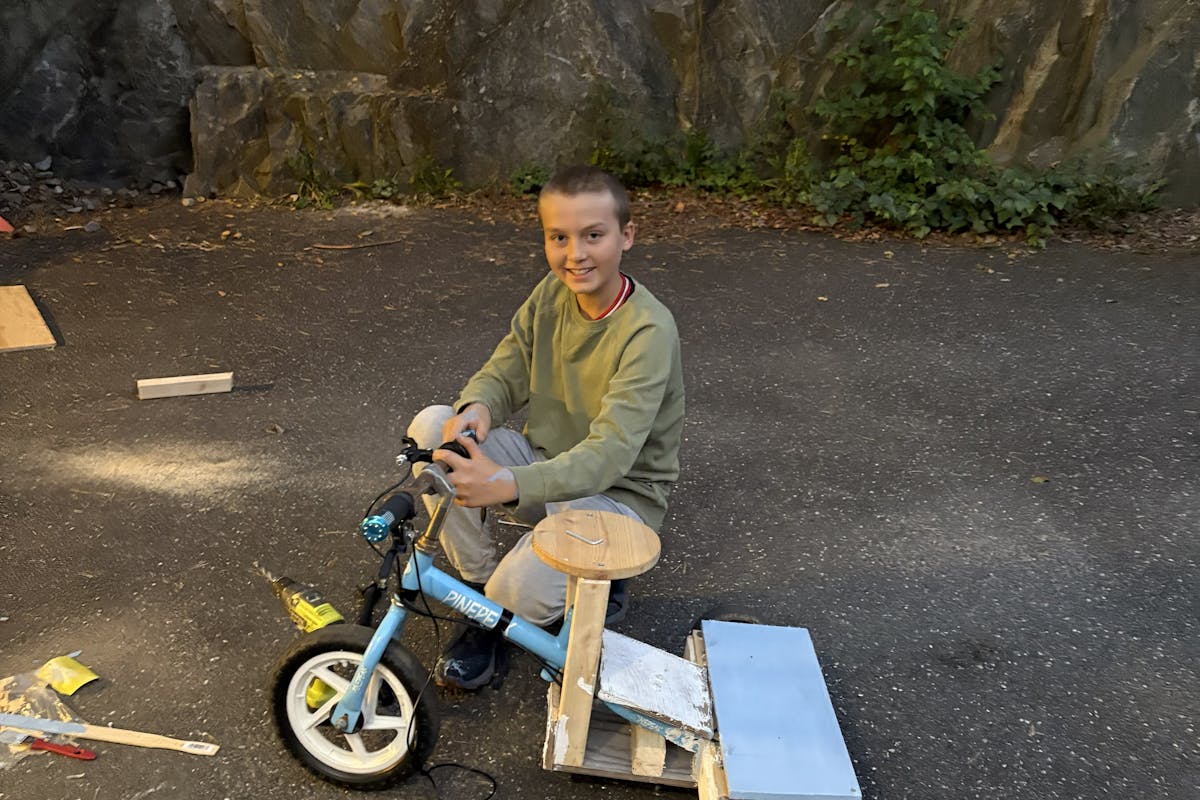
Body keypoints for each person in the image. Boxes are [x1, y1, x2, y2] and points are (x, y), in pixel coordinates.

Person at [406, 164, 685, 690]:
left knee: (519, 591)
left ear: (626, 236)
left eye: (593, 235)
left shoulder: (648, 330)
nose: (575, 254)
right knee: (433, 428)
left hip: (617, 497)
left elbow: (610, 453)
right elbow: (508, 364)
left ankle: (555, 588)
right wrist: (480, 406)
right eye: (559, 237)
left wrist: (508, 484)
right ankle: (481, 589)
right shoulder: (552, 294)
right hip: (544, 465)